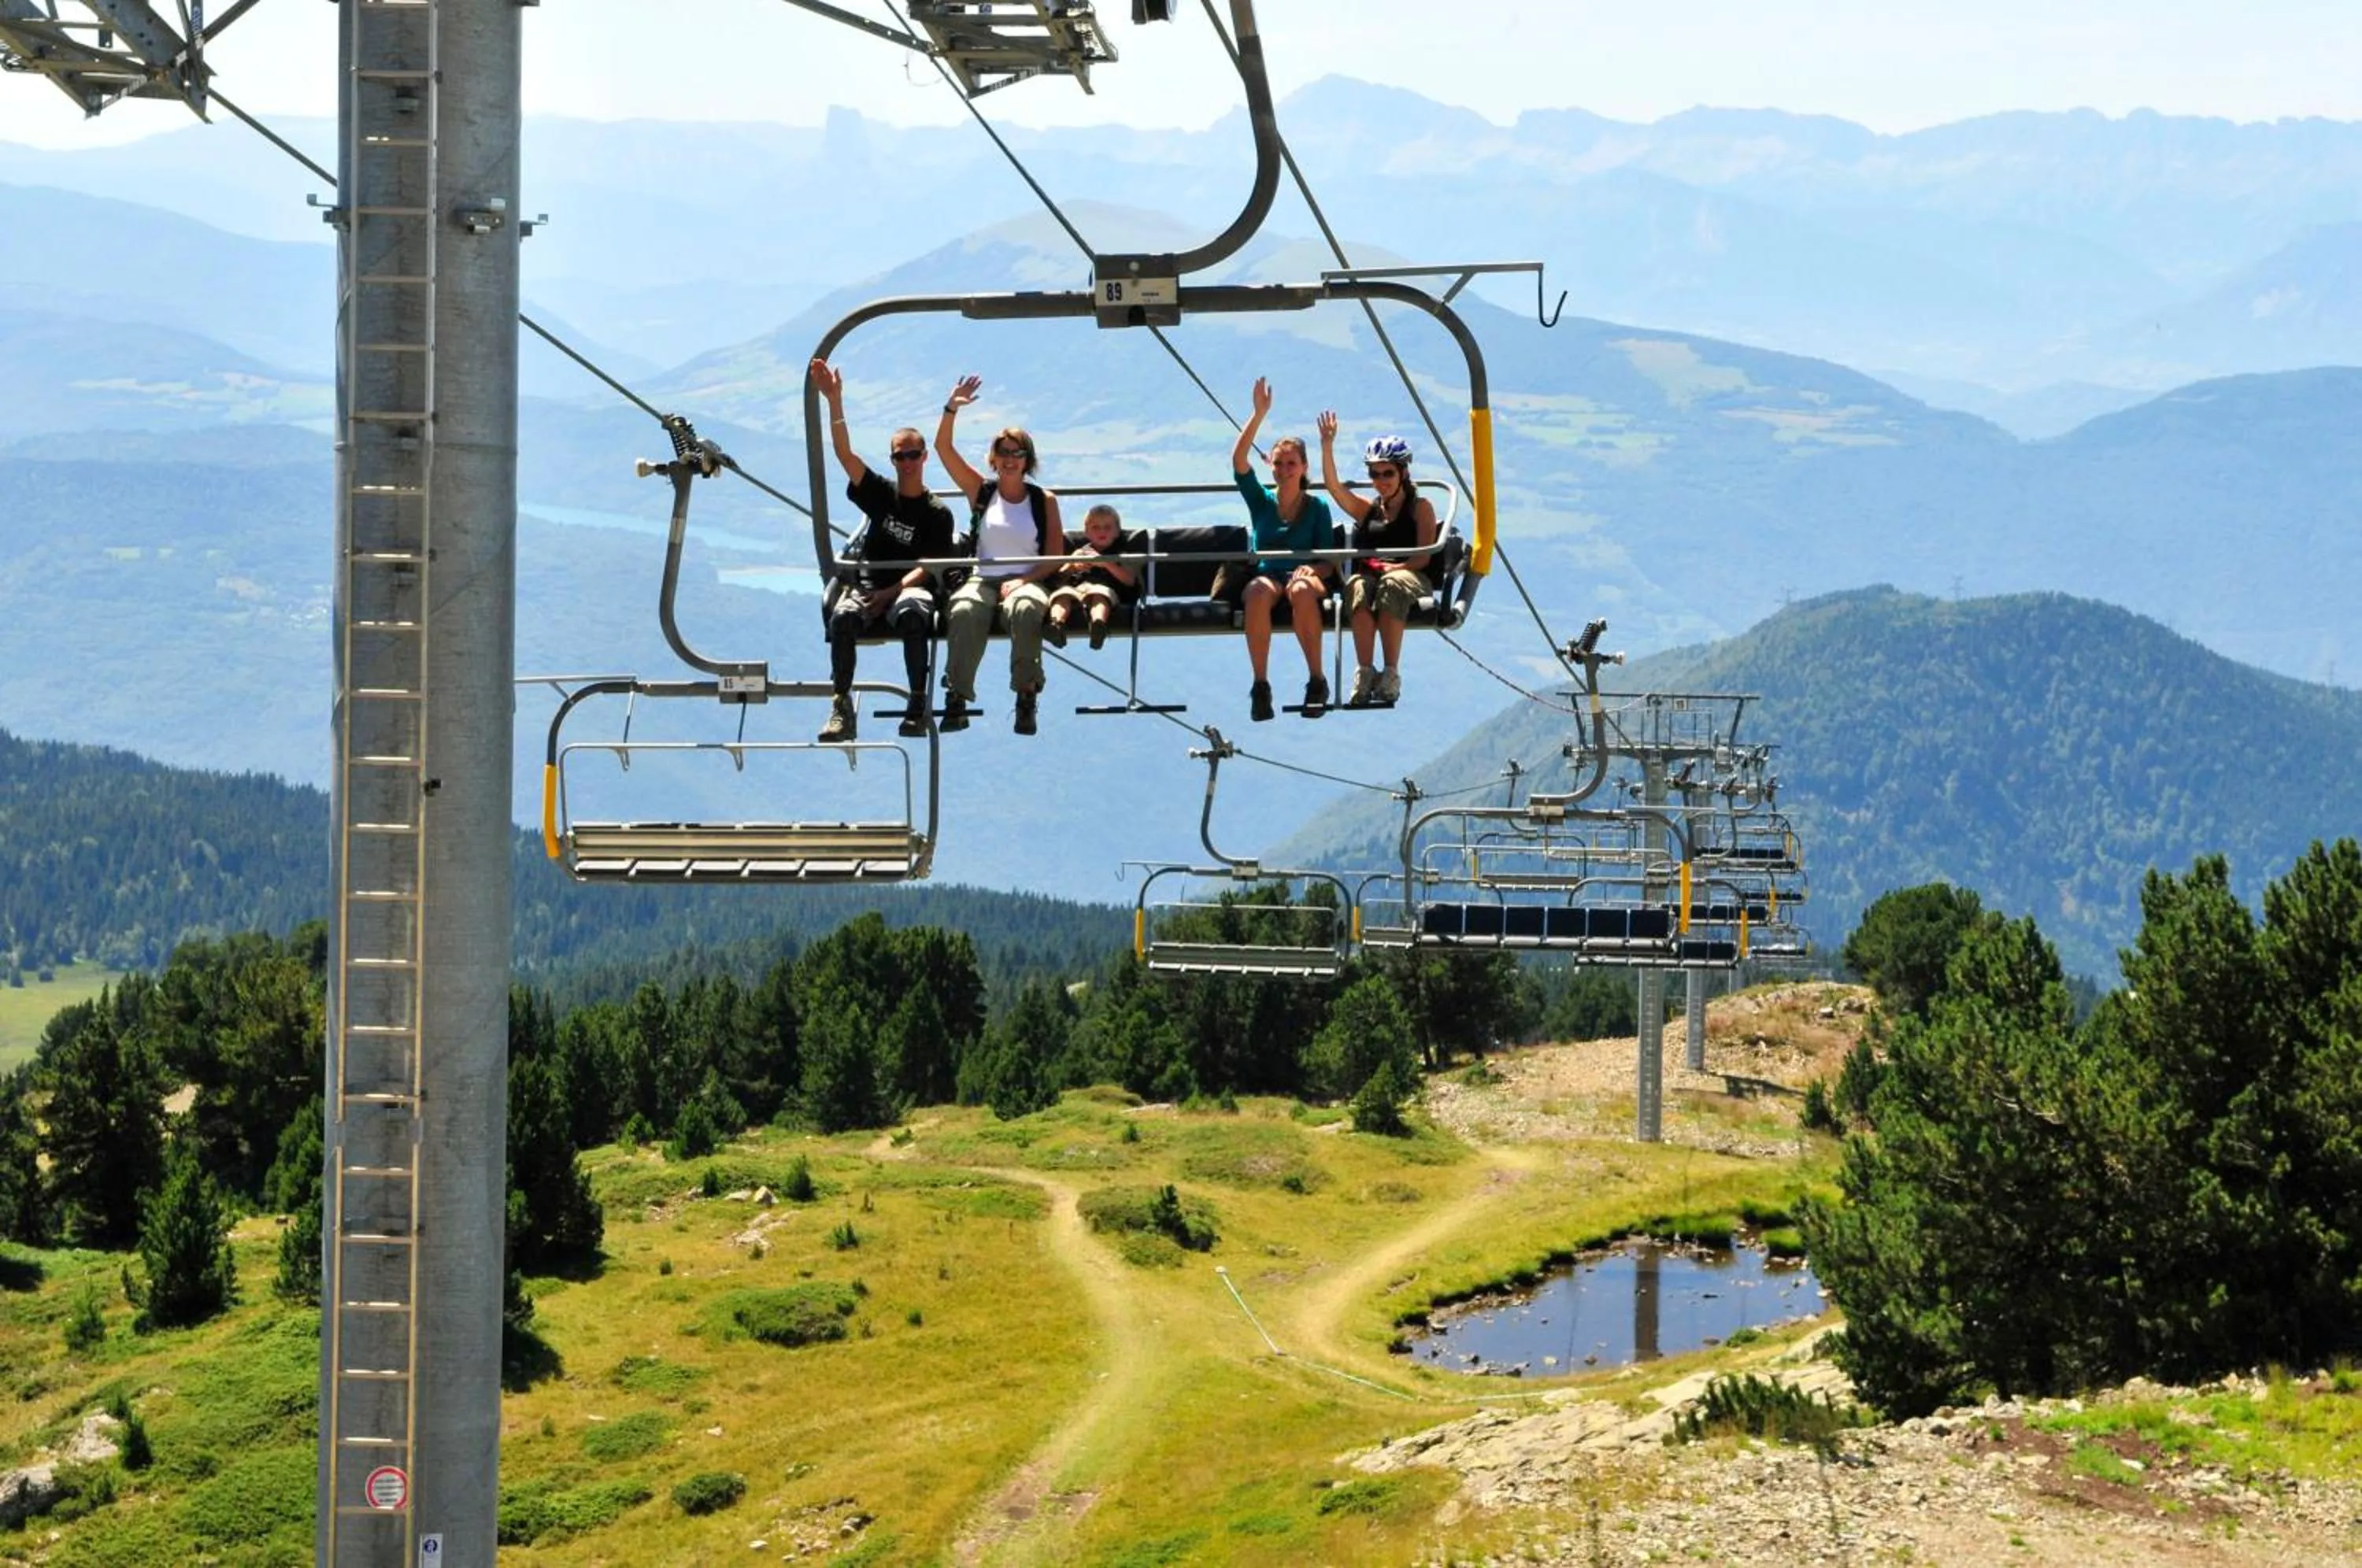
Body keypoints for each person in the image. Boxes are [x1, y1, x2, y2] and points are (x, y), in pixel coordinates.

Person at [809, 358, 958, 743]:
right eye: (899, 456)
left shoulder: (937, 513)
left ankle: (917, 703)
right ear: (893, 460)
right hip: (870, 586)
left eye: (913, 455)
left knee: (912, 614)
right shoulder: (880, 494)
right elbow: (846, 456)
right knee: (842, 618)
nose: (907, 463)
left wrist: (892, 591)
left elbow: (931, 565)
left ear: (924, 457)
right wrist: (834, 401)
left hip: (908, 588)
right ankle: (841, 705)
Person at [935, 375, 1064, 735]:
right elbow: (943, 450)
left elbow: (1054, 557)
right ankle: (957, 695)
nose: (1010, 460)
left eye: (1017, 453)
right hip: (984, 577)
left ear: (1027, 460)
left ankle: (1026, 695)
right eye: (1004, 453)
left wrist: (1024, 580)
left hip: (1029, 578)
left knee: (1026, 609)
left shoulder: (1043, 501)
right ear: (994, 458)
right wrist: (951, 409)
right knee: (964, 609)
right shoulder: (981, 492)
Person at [1225, 377, 1334, 720]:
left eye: (1291, 464)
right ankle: (1260, 685)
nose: (1284, 471)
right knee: (1257, 592)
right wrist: (1258, 414)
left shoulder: (1317, 508)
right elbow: (1239, 461)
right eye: (1278, 464)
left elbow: (1328, 561)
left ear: (1303, 468)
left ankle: (1316, 680)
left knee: (1301, 590)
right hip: (1270, 575)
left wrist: (1311, 569)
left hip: (1306, 576)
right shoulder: (1261, 501)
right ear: (1270, 466)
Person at [1316, 412, 1440, 707]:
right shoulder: (1369, 511)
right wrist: (1327, 445)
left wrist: (1395, 567)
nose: (1381, 481)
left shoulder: (1420, 508)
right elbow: (1335, 489)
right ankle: (1365, 671)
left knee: (1391, 585)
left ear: (1403, 474)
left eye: (1388, 474)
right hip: (1376, 576)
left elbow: (1423, 556)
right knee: (1357, 586)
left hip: (1411, 576)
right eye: (1375, 475)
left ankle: (1391, 673)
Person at [1044, 503, 1138, 652]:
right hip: (1076, 590)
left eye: (1107, 527)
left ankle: (1098, 624)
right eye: (1096, 527)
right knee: (1062, 595)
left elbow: (1130, 580)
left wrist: (1107, 564)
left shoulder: (1120, 554)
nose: (1102, 531)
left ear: (1117, 532)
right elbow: (1058, 578)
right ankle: (1056, 624)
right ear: (1087, 532)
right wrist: (1072, 564)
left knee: (1100, 595)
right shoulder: (1080, 552)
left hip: (1105, 588)